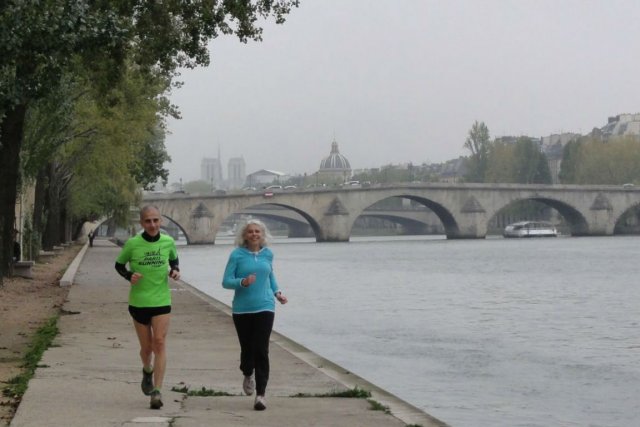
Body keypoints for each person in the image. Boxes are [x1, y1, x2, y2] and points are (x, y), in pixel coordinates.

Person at [114, 206, 180, 410]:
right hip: (139, 302)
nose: (152, 225)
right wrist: (128, 276)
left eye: (156, 220)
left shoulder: (168, 241)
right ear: (141, 223)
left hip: (161, 300)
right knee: (147, 348)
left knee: (159, 342)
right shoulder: (133, 244)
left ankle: (157, 391)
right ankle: (147, 369)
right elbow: (119, 265)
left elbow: (174, 260)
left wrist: (175, 271)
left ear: (160, 221)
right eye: (148, 221)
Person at [222, 219, 288, 411]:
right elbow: (226, 281)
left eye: (257, 231)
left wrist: (277, 293)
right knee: (247, 349)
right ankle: (247, 372)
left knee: (262, 349)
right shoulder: (236, 255)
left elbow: (270, 276)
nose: (254, 234)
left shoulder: (268, 254)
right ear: (244, 235)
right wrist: (242, 282)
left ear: (262, 234)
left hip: (265, 306)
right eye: (250, 232)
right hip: (242, 309)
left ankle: (261, 395)